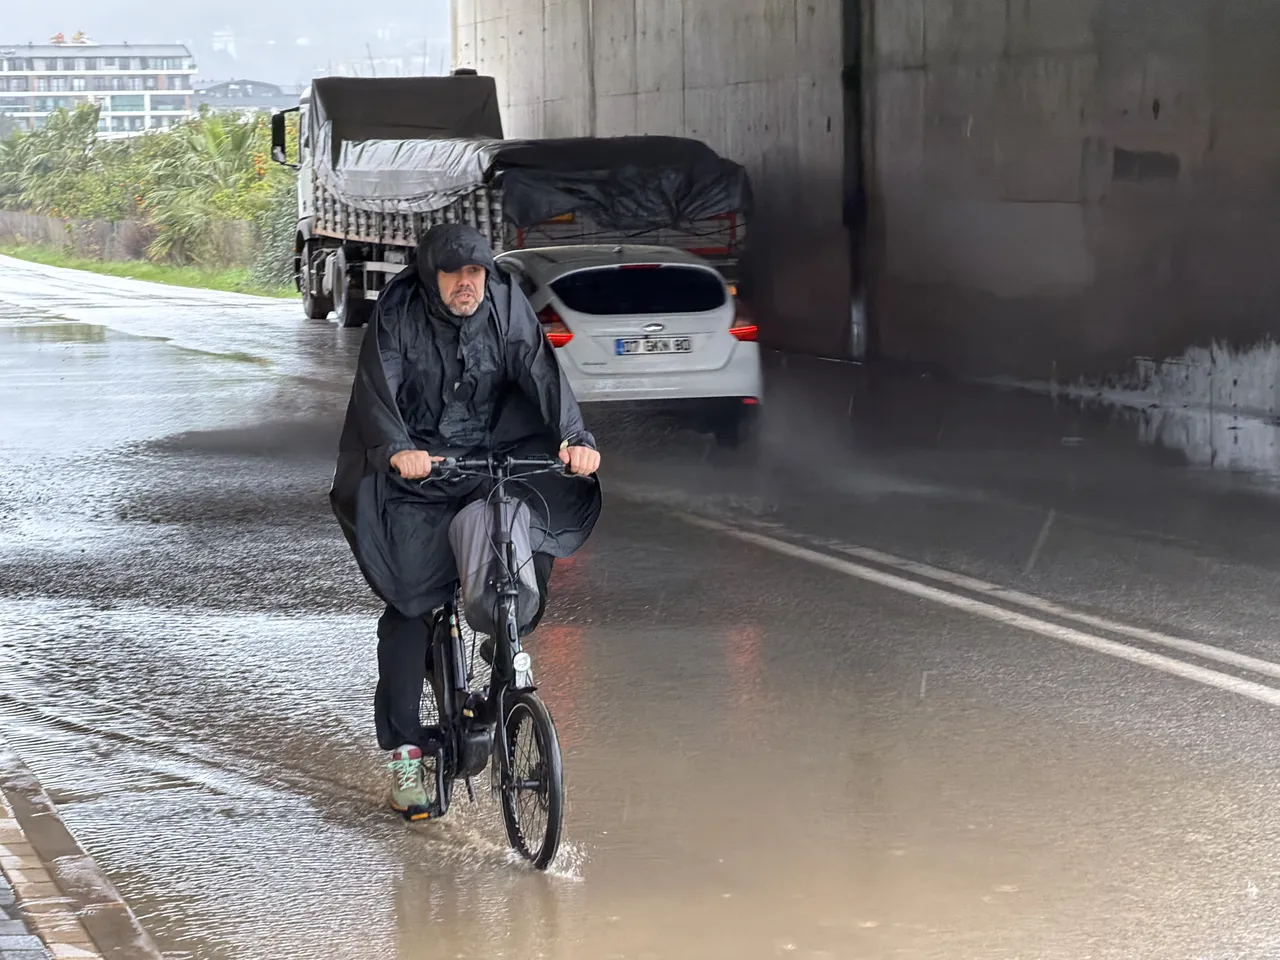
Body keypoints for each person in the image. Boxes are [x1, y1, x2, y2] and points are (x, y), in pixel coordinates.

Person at [330, 224, 602, 820]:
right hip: (416, 474)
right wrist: (399, 448)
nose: (466, 285)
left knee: (525, 554)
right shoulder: (400, 311)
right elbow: (378, 390)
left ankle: (501, 648)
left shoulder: (505, 304)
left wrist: (574, 438)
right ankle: (404, 756)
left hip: (487, 460)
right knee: (409, 607)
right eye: (454, 274)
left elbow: (541, 373)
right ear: (432, 276)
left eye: (474, 273)